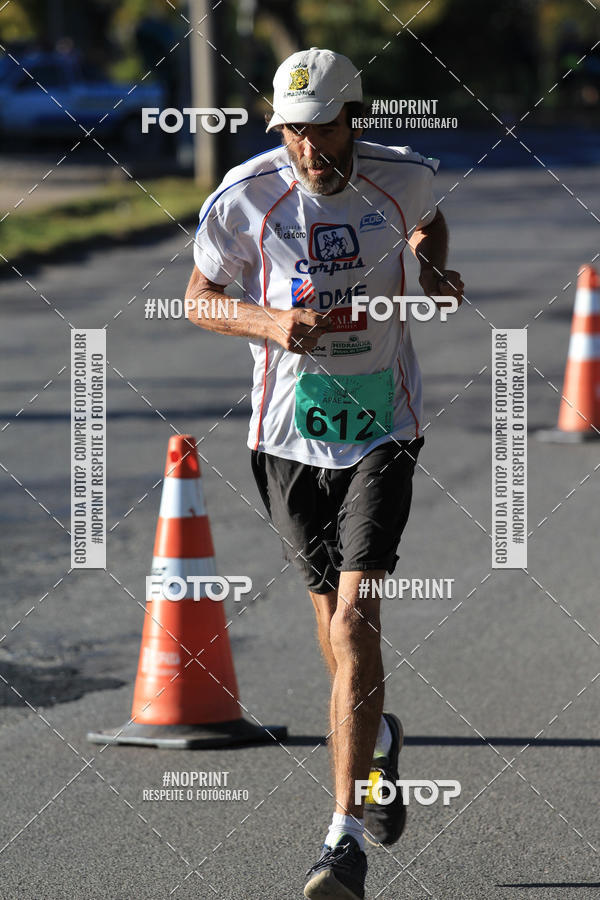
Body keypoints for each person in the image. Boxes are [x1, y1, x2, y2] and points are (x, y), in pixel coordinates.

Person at [186, 47, 463, 900]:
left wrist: (428, 262)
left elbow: (430, 223)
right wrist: (268, 322)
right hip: (286, 438)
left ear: (355, 119)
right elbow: (198, 297)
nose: (310, 149)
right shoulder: (245, 196)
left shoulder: (403, 177)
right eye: (294, 133)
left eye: (323, 129)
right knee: (330, 628)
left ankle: (342, 841)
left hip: (384, 425)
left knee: (353, 622)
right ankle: (377, 748)